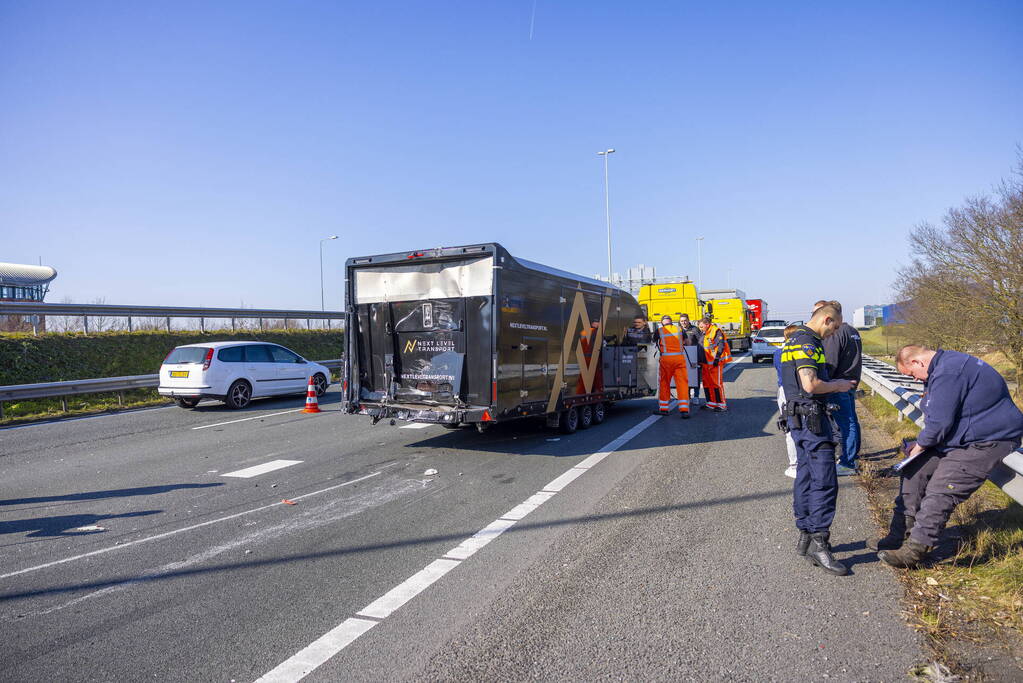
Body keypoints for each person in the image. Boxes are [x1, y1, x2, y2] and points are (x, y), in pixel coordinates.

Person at [874, 345, 1023, 568]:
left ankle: (915, 551)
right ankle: (898, 536)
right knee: (914, 470)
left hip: (987, 440)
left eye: (912, 375)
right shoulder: (942, 367)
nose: (915, 380)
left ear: (917, 362)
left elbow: (939, 422)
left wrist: (922, 444)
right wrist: (921, 446)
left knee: (942, 488)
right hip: (962, 437)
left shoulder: (948, 372)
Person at [779, 304, 857, 575]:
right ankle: (820, 543)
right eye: (833, 328)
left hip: (798, 421)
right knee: (824, 480)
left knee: (806, 476)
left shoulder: (793, 339)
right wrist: (839, 385)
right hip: (813, 423)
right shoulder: (808, 342)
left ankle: (805, 536)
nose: (831, 334)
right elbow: (810, 384)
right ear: (826, 319)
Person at [812, 300, 862, 476]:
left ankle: (848, 461)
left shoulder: (836, 333)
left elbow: (831, 361)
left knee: (845, 424)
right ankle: (851, 457)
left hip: (838, 384)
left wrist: (825, 383)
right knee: (851, 421)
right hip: (851, 381)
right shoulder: (853, 331)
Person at [774, 324, 800, 478]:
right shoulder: (801, 351)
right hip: (802, 391)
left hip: (785, 391)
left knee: (790, 426)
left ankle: (794, 464)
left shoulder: (778, 353)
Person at [653, 315, 690, 419]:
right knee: (682, 384)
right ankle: (684, 410)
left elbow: (653, 343)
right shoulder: (679, 329)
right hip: (679, 360)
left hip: (666, 361)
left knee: (664, 383)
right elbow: (688, 343)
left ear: (662, 323)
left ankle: (664, 408)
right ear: (671, 322)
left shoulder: (659, 331)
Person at [697, 316, 730, 412]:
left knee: (716, 384)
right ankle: (711, 402)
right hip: (705, 363)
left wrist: (717, 358)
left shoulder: (716, 331)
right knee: (707, 384)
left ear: (707, 324)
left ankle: (722, 404)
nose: (700, 328)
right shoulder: (705, 333)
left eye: (701, 326)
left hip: (714, 363)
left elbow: (721, 345)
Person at [679, 313, 703, 403]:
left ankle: (696, 397)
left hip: (694, 356)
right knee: (685, 378)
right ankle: (687, 396)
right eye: (681, 321)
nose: (683, 322)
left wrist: (700, 356)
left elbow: (701, 342)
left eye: (685, 320)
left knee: (695, 377)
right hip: (683, 357)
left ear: (688, 320)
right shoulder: (678, 330)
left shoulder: (694, 329)